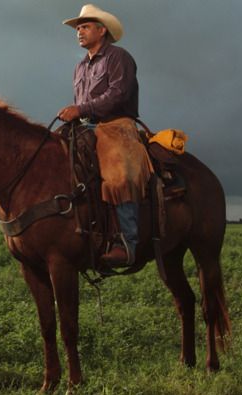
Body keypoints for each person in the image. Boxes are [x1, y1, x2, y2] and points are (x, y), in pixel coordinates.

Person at [57, 4, 153, 266]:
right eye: (78, 28)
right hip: (85, 126)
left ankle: (127, 242)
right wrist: (77, 113)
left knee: (120, 174)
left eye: (85, 26)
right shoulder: (79, 67)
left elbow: (119, 93)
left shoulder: (119, 57)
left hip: (116, 125)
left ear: (102, 30)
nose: (79, 31)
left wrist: (81, 109)